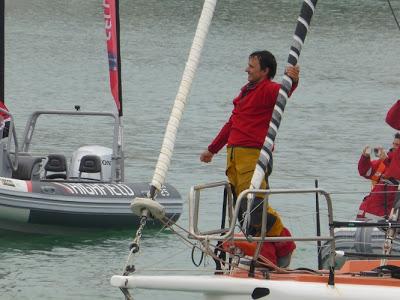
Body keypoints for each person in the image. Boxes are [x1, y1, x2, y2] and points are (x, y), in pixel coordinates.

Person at [200, 50, 298, 265]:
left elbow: (284, 93)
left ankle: (285, 243)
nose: (246, 69)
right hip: (235, 156)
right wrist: (212, 149)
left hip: (252, 156)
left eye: (251, 66)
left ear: (265, 71)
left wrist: (292, 79)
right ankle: (266, 254)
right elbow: (231, 124)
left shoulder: (267, 90)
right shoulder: (246, 92)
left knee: (255, 208)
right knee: (243, 211)